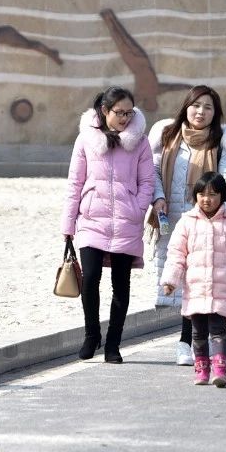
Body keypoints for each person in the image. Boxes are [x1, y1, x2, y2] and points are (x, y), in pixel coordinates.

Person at [62, 86, 155, 364]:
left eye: (129, 113)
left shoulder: (140, 141)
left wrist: (137, 209)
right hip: (91, 220)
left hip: (126, 221)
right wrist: (68, 224)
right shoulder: (85, 140)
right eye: (119, 113)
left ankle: (113, 343)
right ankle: (92, 335)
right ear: (104, 111)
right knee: (89, 279)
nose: (125, 118)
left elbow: (147, 181)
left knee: (121, 285)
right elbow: (74, 182)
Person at [149, 85, 226, 365]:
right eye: (196, 105)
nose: (201, 112)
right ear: (186, 106)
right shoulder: (167, 137)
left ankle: (187, 343)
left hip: (207, 222)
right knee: (183, 280)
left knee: (200, 282)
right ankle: (197, 342)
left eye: (208, 107)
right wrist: (158, 198)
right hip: (172, 220)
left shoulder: (219, 141)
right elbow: (151, 171)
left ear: (216, 113)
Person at [160, 172, 226, 387]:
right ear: (195, 196)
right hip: (195, 289)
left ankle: (220, 369)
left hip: (221, 288)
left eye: (212, 194)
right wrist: (171, 281)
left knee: (218, 330)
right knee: (198, 333)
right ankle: (201, 369)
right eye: (201, 194)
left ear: (222, 196)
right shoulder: (186, 222)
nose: (206, 199)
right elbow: (176, 254)